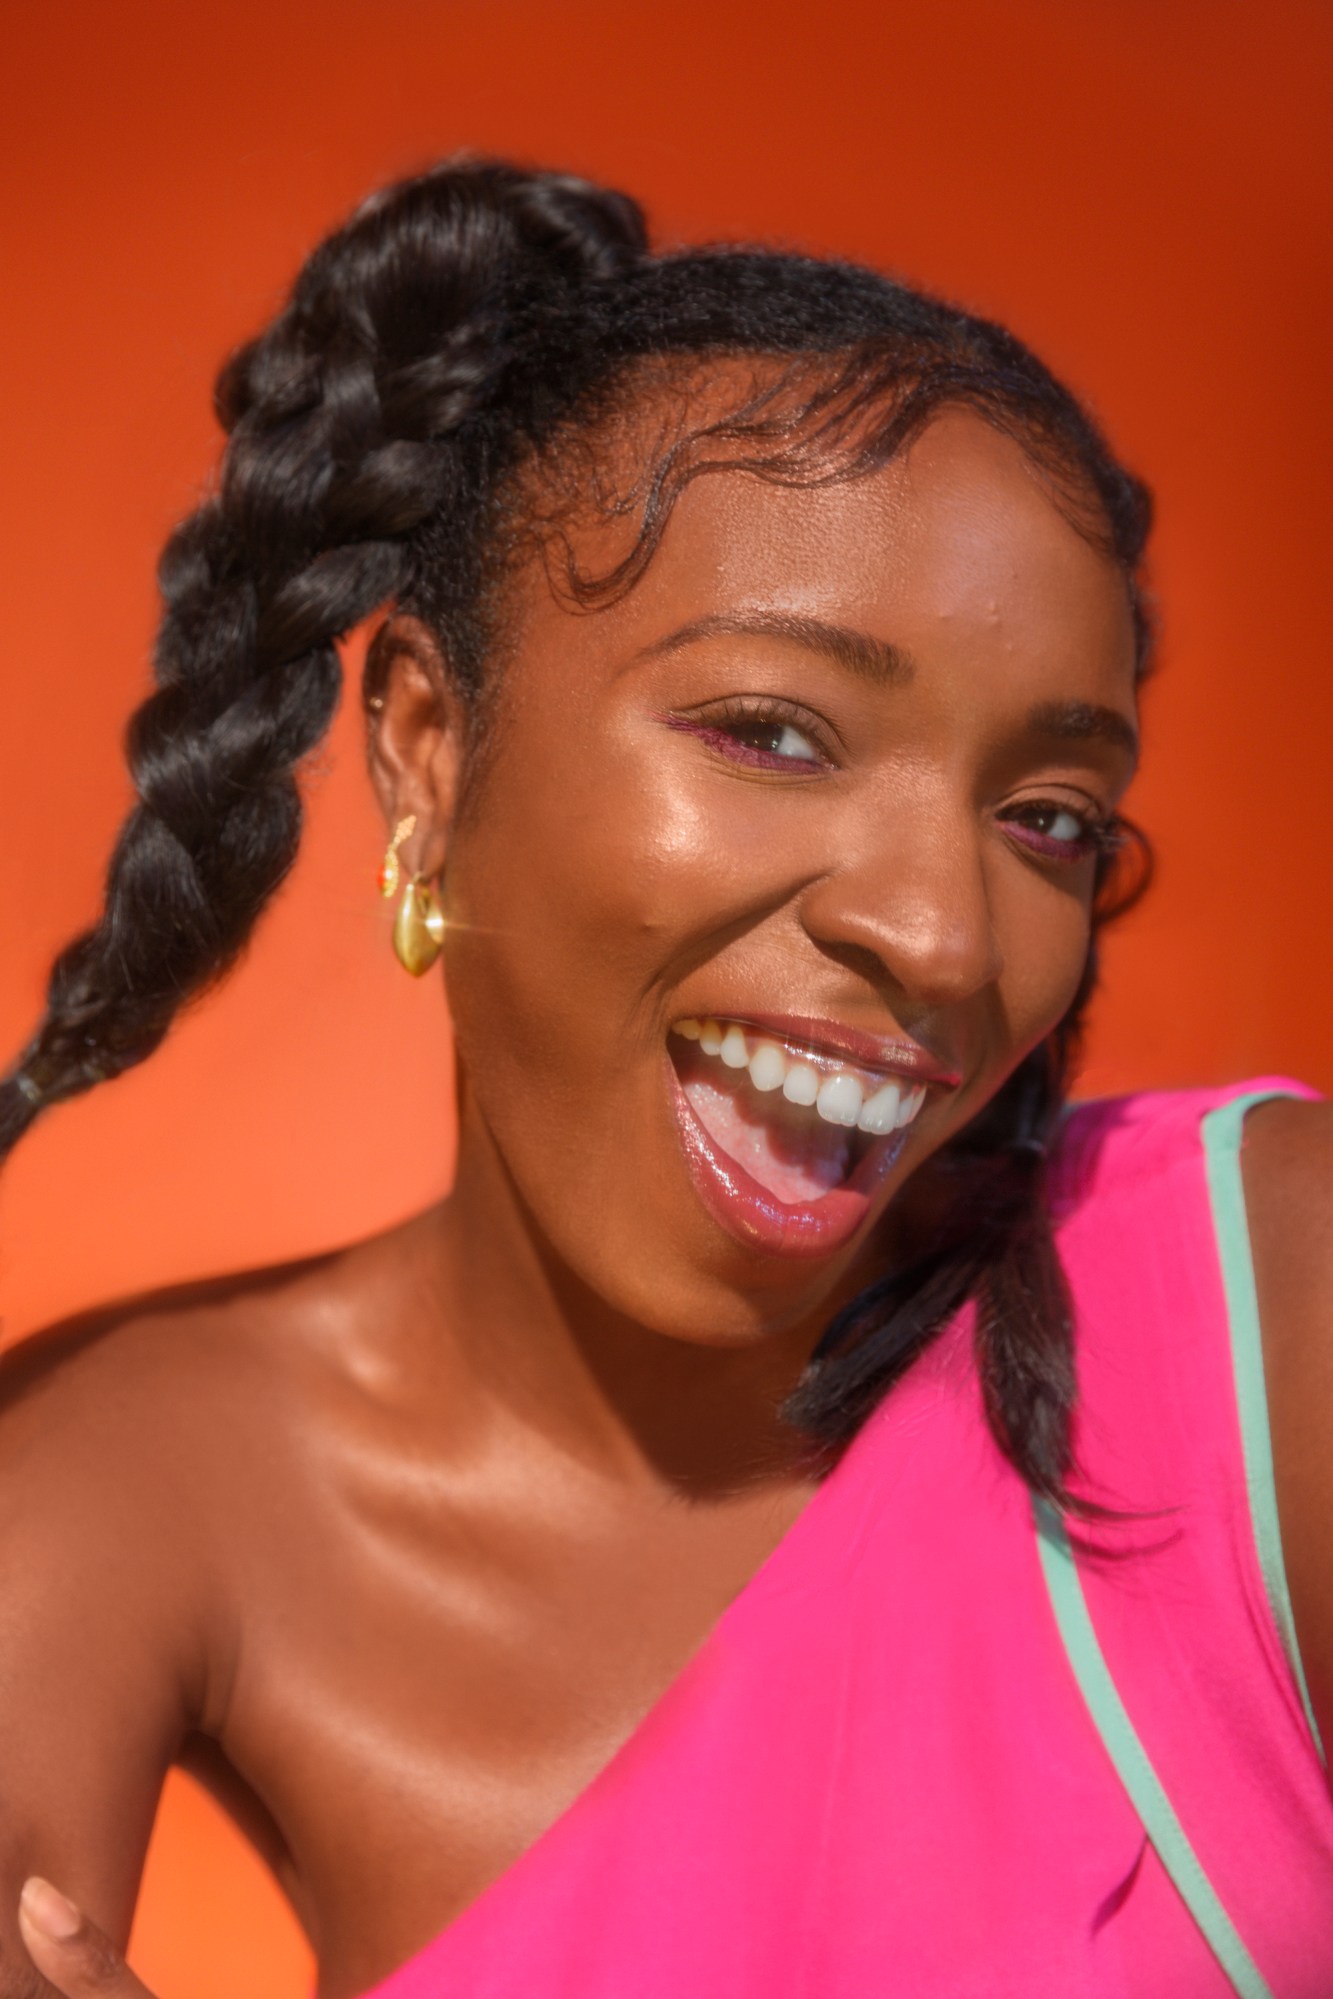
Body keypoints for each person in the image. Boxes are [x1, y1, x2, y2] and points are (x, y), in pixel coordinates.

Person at [0, 157, 1329, 1999]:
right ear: (426, 750)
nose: (945, 940)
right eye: (772, 732)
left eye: (1045, 819)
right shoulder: (144, 1483)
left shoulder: (1267, 1316)